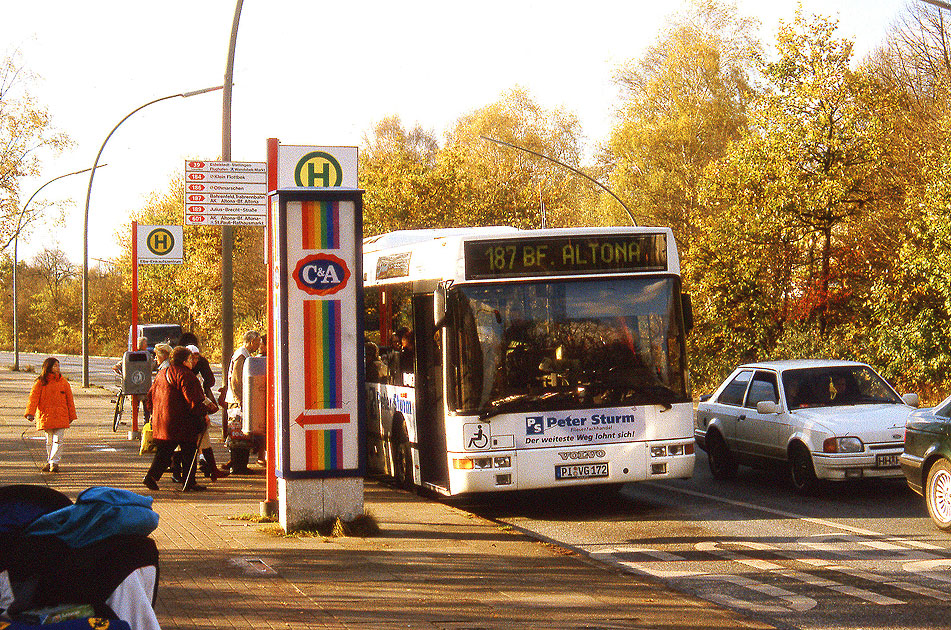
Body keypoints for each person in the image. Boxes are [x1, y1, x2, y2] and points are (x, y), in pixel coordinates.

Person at [143, 346, 213, 492]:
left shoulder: (162, 373)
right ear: (184, 360)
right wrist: (204, 412)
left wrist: (153, 413)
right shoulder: (186, 375)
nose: (192, 362)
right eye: (189, 359)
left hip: (162, 421)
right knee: (189, 450)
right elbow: (193, 400)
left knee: (164, 452)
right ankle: (189, 481)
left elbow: (149, 396)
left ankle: (151, 477)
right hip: (182, 422)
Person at [181, 336, 228, 481]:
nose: (194, 362)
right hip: (192, 411)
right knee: (191, 443)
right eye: (192, 359)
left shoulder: (184, 371)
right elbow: (198, 393)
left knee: (202, 440)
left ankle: (209, 469)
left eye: (196, 359)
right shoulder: (189, 374)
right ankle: (192, 473)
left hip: (193, 410)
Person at [24, 357, 77, 473]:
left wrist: (71, 415)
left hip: (61, 416)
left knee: (58, 441)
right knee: (49, 441)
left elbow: (70, 401)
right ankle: (50, 461)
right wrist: (30, 413)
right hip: (46, 416)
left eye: (58, 365)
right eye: (55, 365)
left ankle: (54, 462)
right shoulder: (40, 383)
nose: (57, 368)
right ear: (48, 367)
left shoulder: (64, 382)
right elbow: (33, 398)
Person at [112, 337, 151, 428]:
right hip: (144, 387)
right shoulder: (147, 356)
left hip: (133, 386)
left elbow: (118, 365)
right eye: (146, 344)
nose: (147, 345)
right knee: (146, 407)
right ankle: (146, 423)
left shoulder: (130, 354)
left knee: (135, 407)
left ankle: (135, 421)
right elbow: (153, 364)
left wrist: (119, 371)